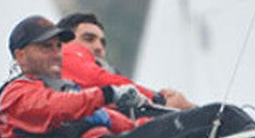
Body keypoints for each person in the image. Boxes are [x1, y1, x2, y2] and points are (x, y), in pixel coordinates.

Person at [0, 15, 255, 138]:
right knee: (220, 116)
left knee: (202, 129)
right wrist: (108, 93)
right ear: (21, 55)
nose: (55, 53)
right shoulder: (14, 96)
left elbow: (113, 121)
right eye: (44, 47)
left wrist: (163, 122)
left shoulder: (57, 87)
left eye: (57, 47)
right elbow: (58, 108)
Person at [56, 12, 193, 111]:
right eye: (88, 39)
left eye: (103, 43)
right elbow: (96, 79)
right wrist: (161, 100)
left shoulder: (108, 75)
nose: (99, 47)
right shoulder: (62, 55)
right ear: (64, 41)